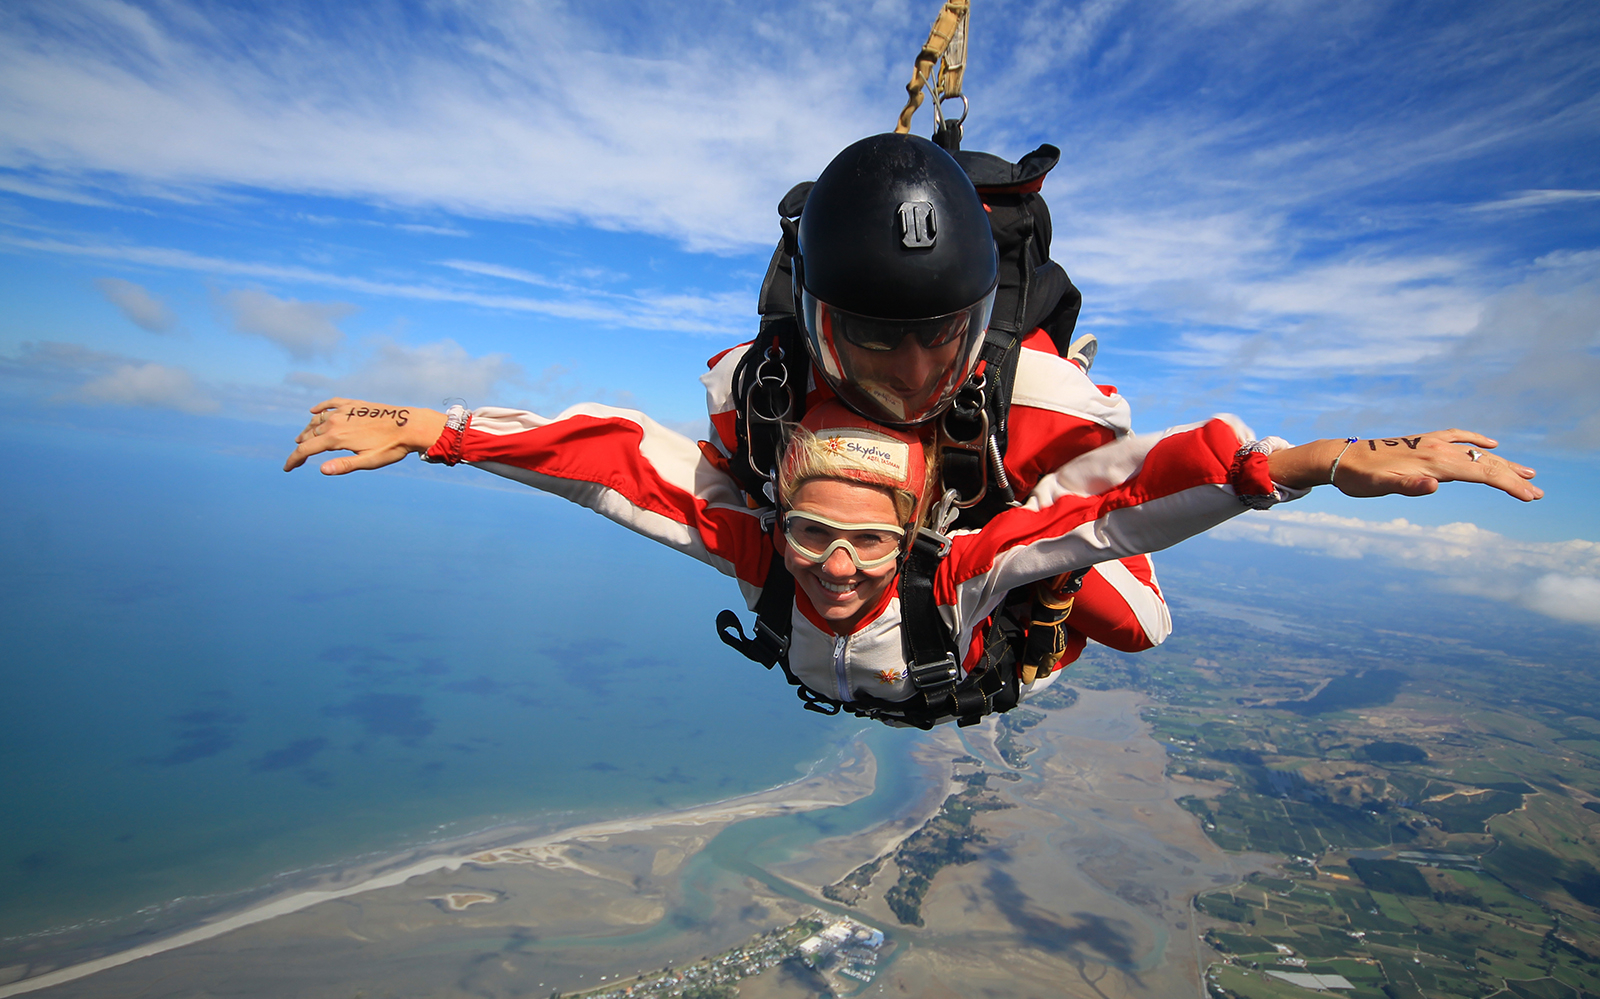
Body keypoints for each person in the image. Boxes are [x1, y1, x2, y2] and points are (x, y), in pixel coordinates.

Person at [282, 391, 1541, 726]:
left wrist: (1315, 462)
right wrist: (438, 433)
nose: (834, 567)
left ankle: (1050, 548)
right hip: (921, 658)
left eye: (868, 540)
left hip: (995, 609)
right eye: (812, 532)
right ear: (778, 518)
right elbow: (618, 465)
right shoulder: (760, 550)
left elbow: (1129, 501)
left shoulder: (954, 572)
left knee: (1136, 616)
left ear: (914, 535)